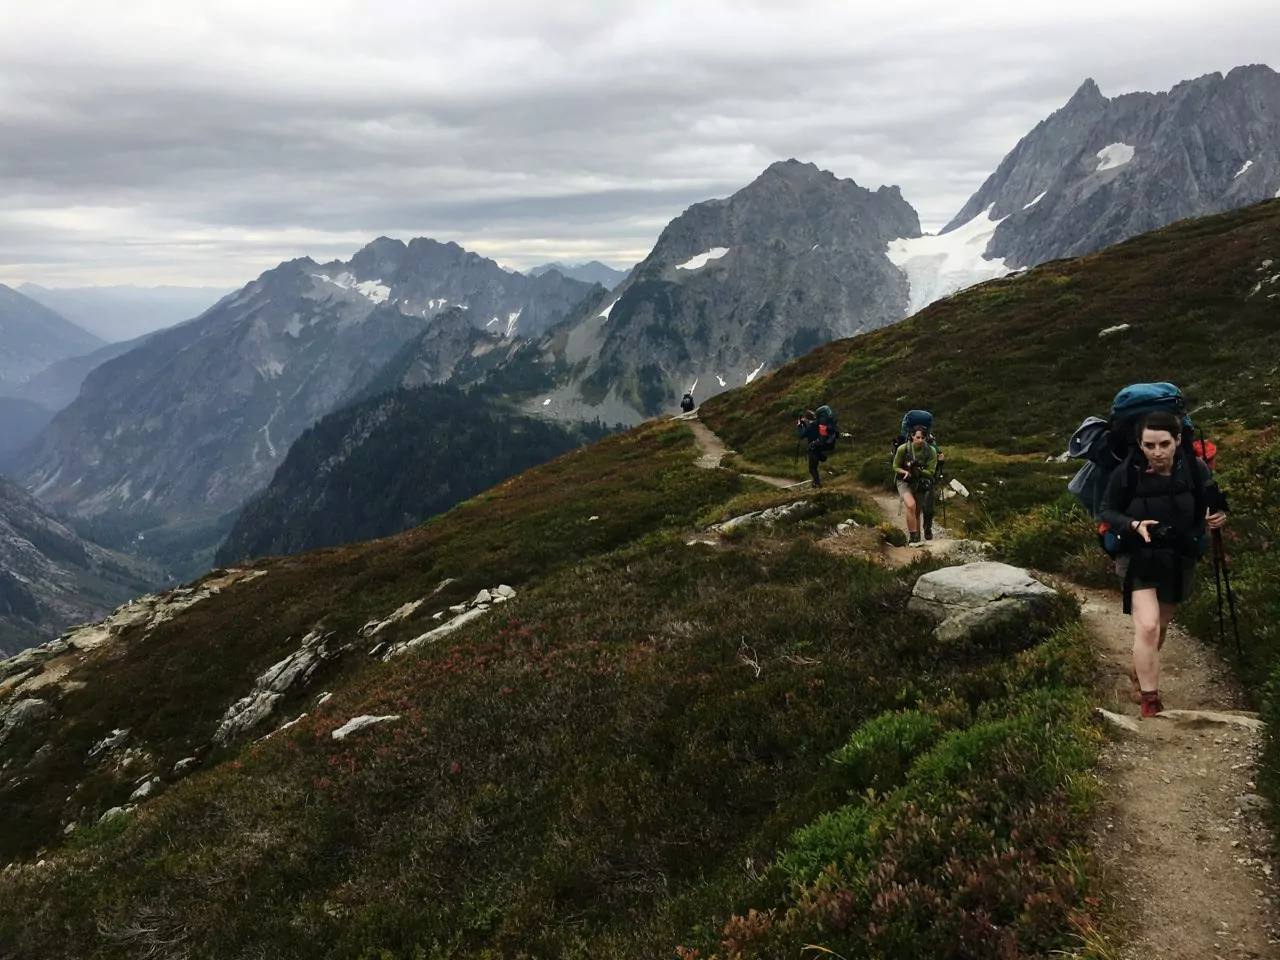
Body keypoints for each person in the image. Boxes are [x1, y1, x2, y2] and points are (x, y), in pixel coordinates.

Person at [1098, 410, 1228, 718]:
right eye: (1149, 445)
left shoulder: (1195, 469)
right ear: (1140, 444)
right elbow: (1106, 511)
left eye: (1164, 444)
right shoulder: (1127, 472)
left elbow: (1214, 502)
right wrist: (1133, 525)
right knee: (1148, 624)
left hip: (1179, 555)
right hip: (1137, 556)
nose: (1157, 452)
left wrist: (1219, 515)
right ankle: (1150, 701)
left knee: (1162, 626)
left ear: (1178, 440)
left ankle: (1140, 671)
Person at [893, 425, 938, 543]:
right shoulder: (903, 449)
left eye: (923, 438)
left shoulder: (931, 451)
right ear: (912, 436)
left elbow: (931, 473)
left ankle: (917, 538)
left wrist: (919, 470)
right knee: (910, 505)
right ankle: (913, 537)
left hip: (920, 482)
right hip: (904, 481)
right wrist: (905, 471)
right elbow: (895, 466)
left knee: (917, 511)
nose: (920, 440)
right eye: (918, 437)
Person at [795, 409, 834, 488]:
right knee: (815, 466)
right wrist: (805, 424)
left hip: (814, 449)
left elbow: (802, 435)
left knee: (812, 468)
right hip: (820, 447)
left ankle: (817, 484)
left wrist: (799, 426)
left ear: (807, 418)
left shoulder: (811, 427)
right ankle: (816, 482)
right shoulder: (817, 424)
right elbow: (810, 432)